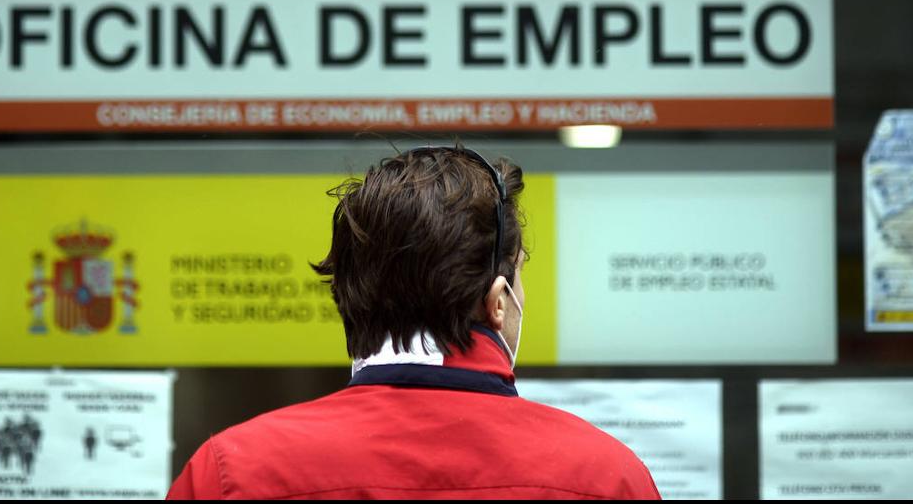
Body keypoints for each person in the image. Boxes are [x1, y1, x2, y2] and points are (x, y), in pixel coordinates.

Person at [168, 145, 659, 500]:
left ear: (352, 300)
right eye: (520, 272)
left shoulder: (233, 472)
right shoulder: (606, 476)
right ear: (498, 302)